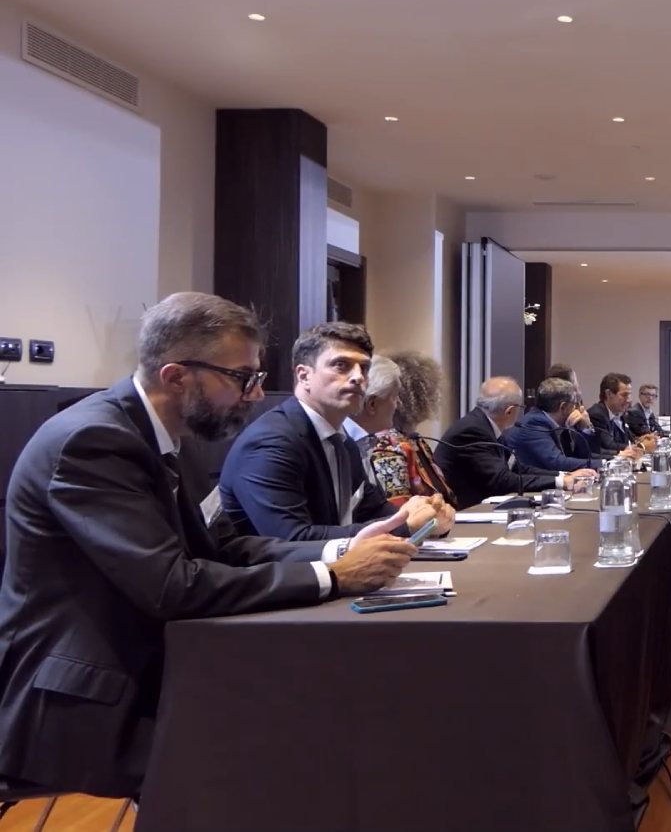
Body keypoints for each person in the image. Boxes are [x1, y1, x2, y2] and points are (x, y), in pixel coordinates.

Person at [0, 293, 419, 798]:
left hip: (162, 663)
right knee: (286, 748)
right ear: (176, 376)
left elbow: (226, 547)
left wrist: (339, 552)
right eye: (241, 378)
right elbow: (172, 586)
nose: (256, 395)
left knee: (321, 710)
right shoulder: (93, 442)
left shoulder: (173, 437)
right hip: (79, 700)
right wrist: (333, 577)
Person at [220, 322, 453, 541]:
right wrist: (405, 525)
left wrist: (428, 517)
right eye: (341, 365)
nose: (358, 377)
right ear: (304, 376)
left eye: (364, 368)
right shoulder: (272, 442)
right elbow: (293, 539)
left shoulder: (342, 441)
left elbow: (375, 512)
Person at [435, 377, 594, 507]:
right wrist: (561, 482)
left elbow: (517, 467)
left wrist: (564, 476)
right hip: (464, 513)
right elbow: (502, 480)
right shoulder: (473, 430)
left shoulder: (486, 425)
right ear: (510, 411)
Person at [352, 351, 457, 507]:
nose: (398, 404)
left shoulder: (415, 440)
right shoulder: (388, 446)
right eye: (395, 397)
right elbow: (397, 508)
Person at [506, 377, 610, 472]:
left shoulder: (560, 423)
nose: (578, 409)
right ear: (563, 407)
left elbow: (582, 456)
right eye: (575, 404)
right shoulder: (533, 424)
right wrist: (606, 464)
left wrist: (585, 428)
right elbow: (558, 463)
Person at [587, 373, 647, 457]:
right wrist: (642, 446)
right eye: (624, 395)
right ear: (609, 394)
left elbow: (628, 439)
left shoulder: (621, 414)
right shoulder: (597, 415)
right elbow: (609, 445)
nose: (629, 400)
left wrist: (642, 440)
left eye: (629, 394)